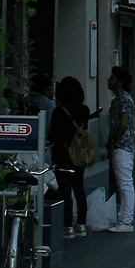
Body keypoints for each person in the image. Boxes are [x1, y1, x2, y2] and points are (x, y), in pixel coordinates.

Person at [49, 76, 93, 239]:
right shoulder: (85, 110)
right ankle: (81, 224)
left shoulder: (59, 111)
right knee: (79, 188)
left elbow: (53, 134)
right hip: (79, 155)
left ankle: (67, 226)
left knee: (65, 191)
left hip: (62, 154)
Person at [105, 66, 135, 232]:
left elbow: (123, 123)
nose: (109, 81)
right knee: (123, 182)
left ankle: (126, 220)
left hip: (123, 146)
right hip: (122, 145)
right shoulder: (119, 99)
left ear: (120, 82)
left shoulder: (124, 99)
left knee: (125, 182)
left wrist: (114, 139)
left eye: (112, 78)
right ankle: (123, 218)